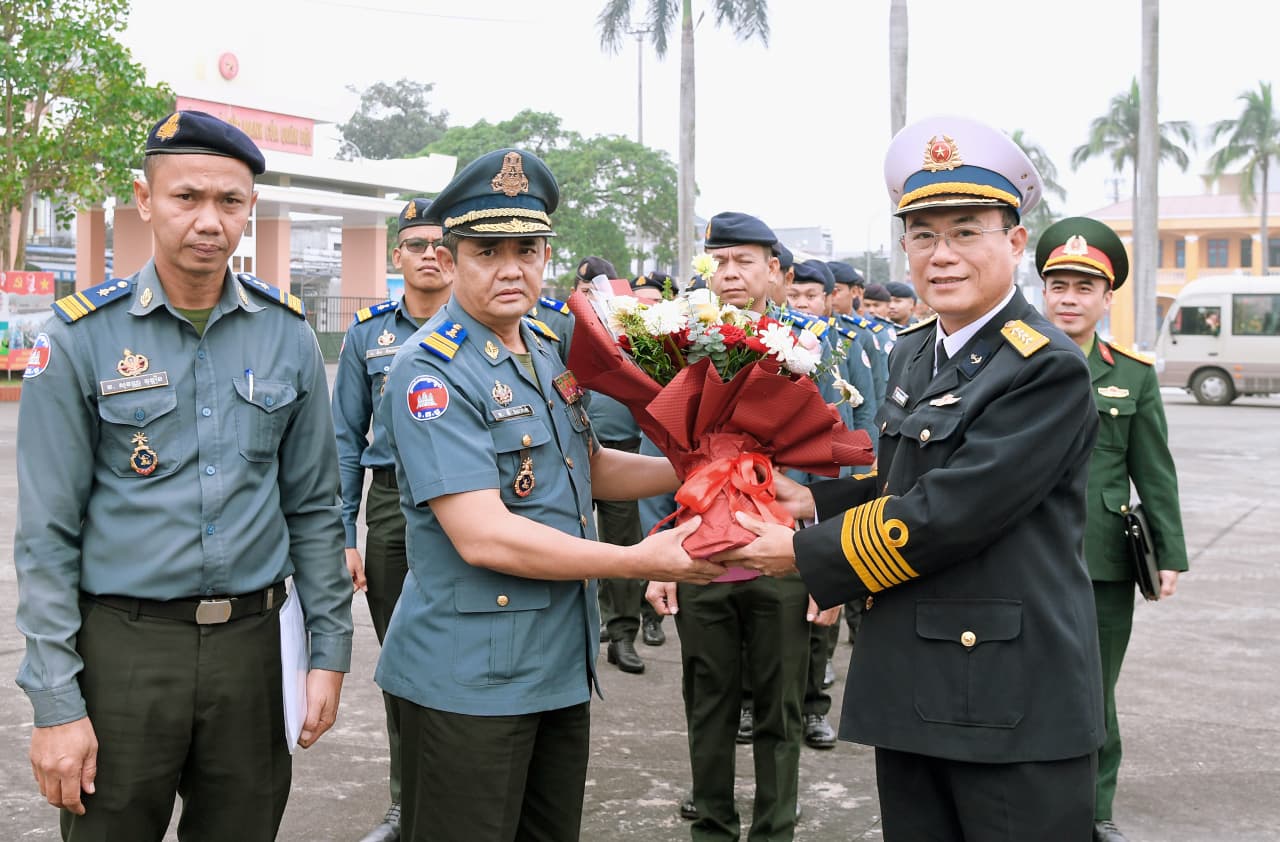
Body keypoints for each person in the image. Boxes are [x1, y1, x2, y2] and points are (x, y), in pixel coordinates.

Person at [716, 115, 1106, 841]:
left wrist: (800, 553)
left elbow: (952, 512)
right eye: (923, 235)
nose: (941, 254)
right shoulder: (916, 350)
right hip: (918, 681)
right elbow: (906, 482)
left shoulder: (1044, 367)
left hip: (1006, 699)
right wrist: (809, 499)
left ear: (1014, 243)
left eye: (966, 232)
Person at [14, 110, 353, 841]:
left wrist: (329, 652)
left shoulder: (286, 333)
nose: (209, 220)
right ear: (144, 199)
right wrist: (56, 703)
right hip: (125, 652)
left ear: (250, 211)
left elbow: (316, 512)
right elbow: (45, 537)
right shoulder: (79, 339)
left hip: (254, 651)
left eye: (230, 202)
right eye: (186, 197)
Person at [373, 148, 725, 842]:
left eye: (528, 249)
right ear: (451, 259)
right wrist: (641, 557)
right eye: (487, 250)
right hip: (469, 678)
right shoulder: (431, 371)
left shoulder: (542, 345)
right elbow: (484, 534)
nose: (511, 268)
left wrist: (693, 466)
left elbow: (585, 466)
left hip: (555, 666)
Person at [647, 211, 815, 842]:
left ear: (777, 270)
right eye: (719, 263)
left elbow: (858, 458)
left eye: (744, 260)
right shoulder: (682, 347)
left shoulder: (817, 349)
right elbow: (667, 459)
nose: (730, 274)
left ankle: (776, 829)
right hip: (701, 556)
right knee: (707, 705)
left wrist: (830, 564)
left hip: (784, 559)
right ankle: (711, 826)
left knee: (781, 709)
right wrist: (653, 558)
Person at [1037, 216, 1189, 842]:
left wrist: (1170, 553)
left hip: (1100, 557)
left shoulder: (1133, 374)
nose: (1068, 298)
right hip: (1023, 551)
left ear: (1106, 298)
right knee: (1023, 681)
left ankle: (1094, 810)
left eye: (1082, 287)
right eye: (1058, 285)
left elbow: (1154, 471)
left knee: (1095, 687)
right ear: (1043, 292)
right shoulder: (1012, 359)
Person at [332, 197, 450, 842]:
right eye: (417, 244)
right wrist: (343, 534)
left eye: (441, 243)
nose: (430, 254)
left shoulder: (490, 325)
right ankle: (407, 803)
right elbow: (344, 441)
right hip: (391, 503)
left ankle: (459, 792)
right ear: (396, 256)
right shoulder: (366, 334)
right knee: (402, 658)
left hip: (474, 501)